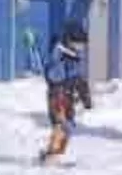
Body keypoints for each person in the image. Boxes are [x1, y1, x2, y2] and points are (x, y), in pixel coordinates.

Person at [38, 22, 93, 164]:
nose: (81, 47)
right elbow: (53, 75)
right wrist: (62, 64)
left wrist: (84, 95)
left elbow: (79, 77)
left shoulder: (76, 56)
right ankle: (50, 155)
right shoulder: (58, 52)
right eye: (78, 43)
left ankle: (55, 153)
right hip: (57, 94)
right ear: (70, 40)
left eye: (82, 44)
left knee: (68, 127)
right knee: (60, 124)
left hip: (69, 96)